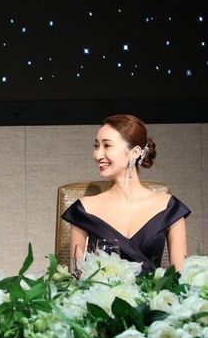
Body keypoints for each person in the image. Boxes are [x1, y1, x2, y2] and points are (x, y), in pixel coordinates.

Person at [62, 114, 190, 272]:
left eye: (107, 146)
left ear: (135, 152)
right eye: (96, 146)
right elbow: (77, 274)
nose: (97, 155)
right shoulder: (84, 209)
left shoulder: (169, 208)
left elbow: (180, 277)